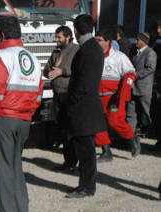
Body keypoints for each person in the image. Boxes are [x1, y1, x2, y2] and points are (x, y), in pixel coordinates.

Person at [0, 16, 42, 212]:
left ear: (1, 35)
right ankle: (22, 210)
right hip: (24, 119)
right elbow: (38, 93)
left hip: (4, 118)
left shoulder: (1, 56)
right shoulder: (33, 59)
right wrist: (27, 113)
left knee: (1, 167)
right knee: (16, 165)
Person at [65, 14, 106, 199]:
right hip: (84, 106)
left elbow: (85, 83)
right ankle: (85, 185)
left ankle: (87, 187)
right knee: (84, 149)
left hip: (84, 108)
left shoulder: (89, 49)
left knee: (86, 151)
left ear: (75, 30)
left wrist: (72, 100)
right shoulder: (91, 47)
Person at [94, 29, 140, 163]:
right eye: (95, 40)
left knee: (115, 122)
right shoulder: (93, 56)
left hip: (113, 97)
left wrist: (126, 88)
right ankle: (106, 150)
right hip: (96, 97)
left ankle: (132, 138)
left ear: (108, 42)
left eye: (99, 40)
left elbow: (131, 73)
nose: (96, 43)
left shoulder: (119, 57)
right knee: (97, 124)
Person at [43, 25, 79, 171]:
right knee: (62, 129)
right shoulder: (56, 52)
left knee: (70, 129)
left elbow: (79, 69)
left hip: (68, 94)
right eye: (56, 37)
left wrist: (62, 71)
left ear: (68, 37)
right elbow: (47, 71)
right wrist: (53, 68)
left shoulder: (76, 50)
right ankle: (67, 161)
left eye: (59, 37)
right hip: (57, 94)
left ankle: (72, 162)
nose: (56, 40)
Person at [126, 32, 157, 137]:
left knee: (148, 112)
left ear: (144, 41)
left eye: (138, 39)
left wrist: (135, 75)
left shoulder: (150, 53)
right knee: (131, 112)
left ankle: (154, 133)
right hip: (133, 87)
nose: (135, 41)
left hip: (144, 88)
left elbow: (150, 69)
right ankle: (130, 135)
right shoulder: (135, 52)